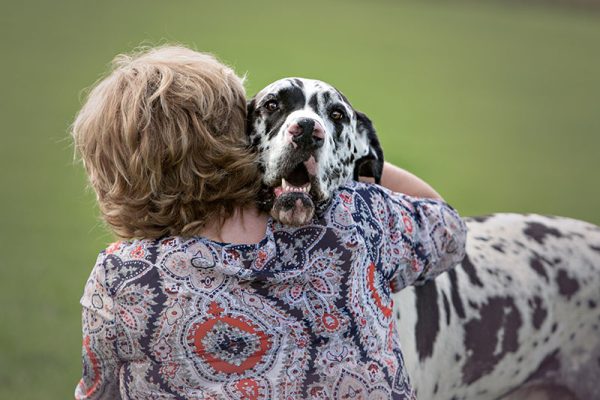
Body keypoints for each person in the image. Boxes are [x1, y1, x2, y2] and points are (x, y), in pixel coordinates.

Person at [71, 45, 467, 399]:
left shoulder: (121, 277)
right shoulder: (358, 219)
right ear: (233, 137)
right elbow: (447, 228)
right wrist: (342, 163)